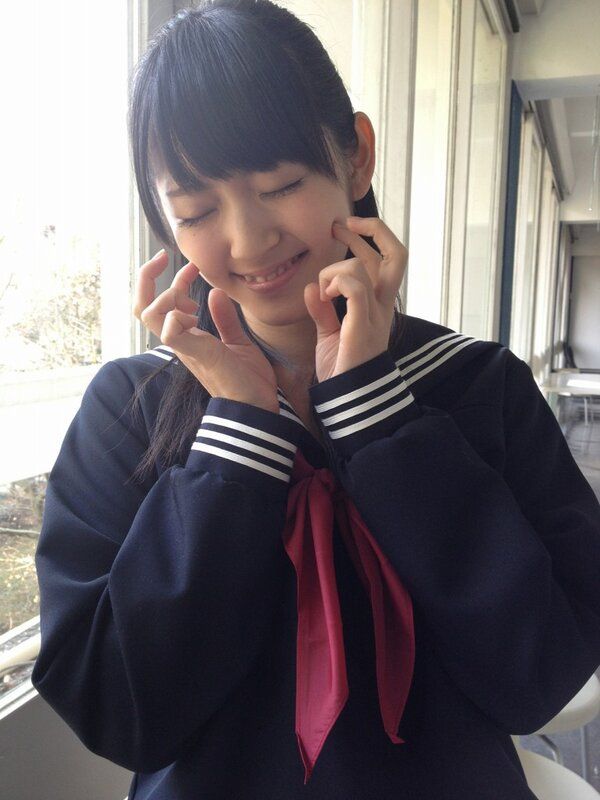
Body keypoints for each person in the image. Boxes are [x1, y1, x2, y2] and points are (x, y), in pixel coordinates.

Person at [31, 1, 600, 798]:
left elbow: (541, 677)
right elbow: (122, 713)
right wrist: (239, 439)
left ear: (357, 157)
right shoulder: (129, 407)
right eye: (196, 211)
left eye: (282, 184)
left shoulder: (478, 384)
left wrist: (375, 414)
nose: (248, 239)